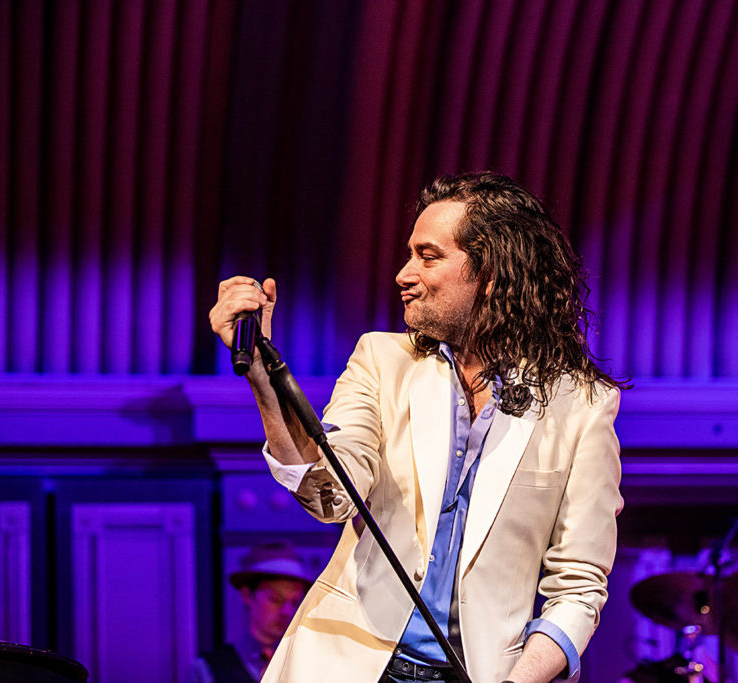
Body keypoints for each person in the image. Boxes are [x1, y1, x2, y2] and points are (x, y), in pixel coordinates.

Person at [209, 171, 625, 682]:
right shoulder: (382, 360)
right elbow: (330, 494)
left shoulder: (581, 403)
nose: (404, 274)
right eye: (410, 254)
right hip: (347, 665)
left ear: (491, 273)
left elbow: (578, 587)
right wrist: (261, 378)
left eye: (428, 256)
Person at [189, 541, 313, 683]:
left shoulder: (306, 667)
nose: (287, 611)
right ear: (247, 595)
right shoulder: (208, 670)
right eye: (275, 599)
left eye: (294, 602)